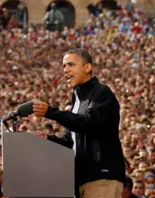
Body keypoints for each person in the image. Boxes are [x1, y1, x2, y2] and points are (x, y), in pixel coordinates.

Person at [33, 49, 125, 198]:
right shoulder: (76, 101)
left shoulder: (101, 92)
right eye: (63, 66)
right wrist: (47, 140)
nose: (65, 70)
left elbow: (91, 124)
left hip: (101, 176)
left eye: (71, 64)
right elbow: (71, 142)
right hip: (81, 179)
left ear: (87, 68)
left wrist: (51, 113)